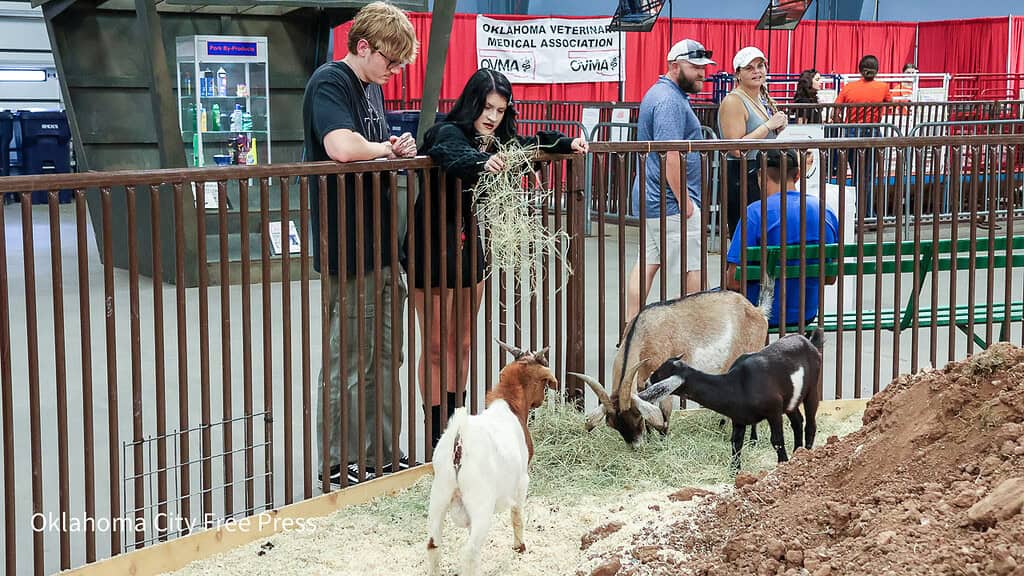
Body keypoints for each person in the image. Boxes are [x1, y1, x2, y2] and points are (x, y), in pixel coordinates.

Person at [410, 68, 587, 448]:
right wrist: (480, 162)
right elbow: (449, 153)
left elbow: (531, 143)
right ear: (471, 103)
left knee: (463, 343)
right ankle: (437, 434)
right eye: (486, 107)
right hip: (432, 245)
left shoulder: (499, 140)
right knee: (437, 345)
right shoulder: (448, 131)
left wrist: (566, 143)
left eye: (500, 110)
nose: (492, 116)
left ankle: (457, 425)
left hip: (469, 245)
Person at [302, 1, 419, 486]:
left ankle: (382, 455)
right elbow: (342, 147)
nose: (394, 71)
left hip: (381, 247)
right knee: (349, 358)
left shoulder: (371, 91)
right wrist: (387, 147)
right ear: (363, 45)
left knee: (386, 356)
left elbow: (372, 145)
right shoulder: (331, 82)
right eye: (389, 61)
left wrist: (396, 147)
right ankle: (338, 460)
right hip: (349, 247)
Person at [624, 39, 715, 328]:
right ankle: (691, 334)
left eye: (704, 67)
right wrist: (684, 199)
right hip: (670, 203)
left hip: (655, 201)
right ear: (675, 66)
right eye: (695, 67)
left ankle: (631, 330)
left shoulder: (664, 94)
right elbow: (670, 154)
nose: (702, 73)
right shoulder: (669, 100)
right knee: (693, 268)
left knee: (648, 264)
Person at [726, 149, 839, 328]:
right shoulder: (824, 211)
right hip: (806, 313)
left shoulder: (755, 213)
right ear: (797, 175)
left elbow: (733, 280)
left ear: (761, 176)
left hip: (760, 313)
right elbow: (830, 277)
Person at [718, 46, 789, 238]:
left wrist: (774, 128)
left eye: (760, 66)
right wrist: (768, 126)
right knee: (746, 240)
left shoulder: (758, 99)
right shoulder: (733, 101)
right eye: (749, 68)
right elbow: (735, 148)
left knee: (763, 238)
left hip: (760, 173)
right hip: (742, 176)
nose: (757, 71)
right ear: (738, 74)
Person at [832, 54, 892, 219]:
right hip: (872, 133)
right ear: (877, 70)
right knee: (866, 176)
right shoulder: (883, 87)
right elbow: (892, 106)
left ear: (860, 70)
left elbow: (835, 110)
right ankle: (866, 213)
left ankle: (852, 212)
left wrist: (840, 126)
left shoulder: (848, 87)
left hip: (851, 133)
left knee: (853, 172)